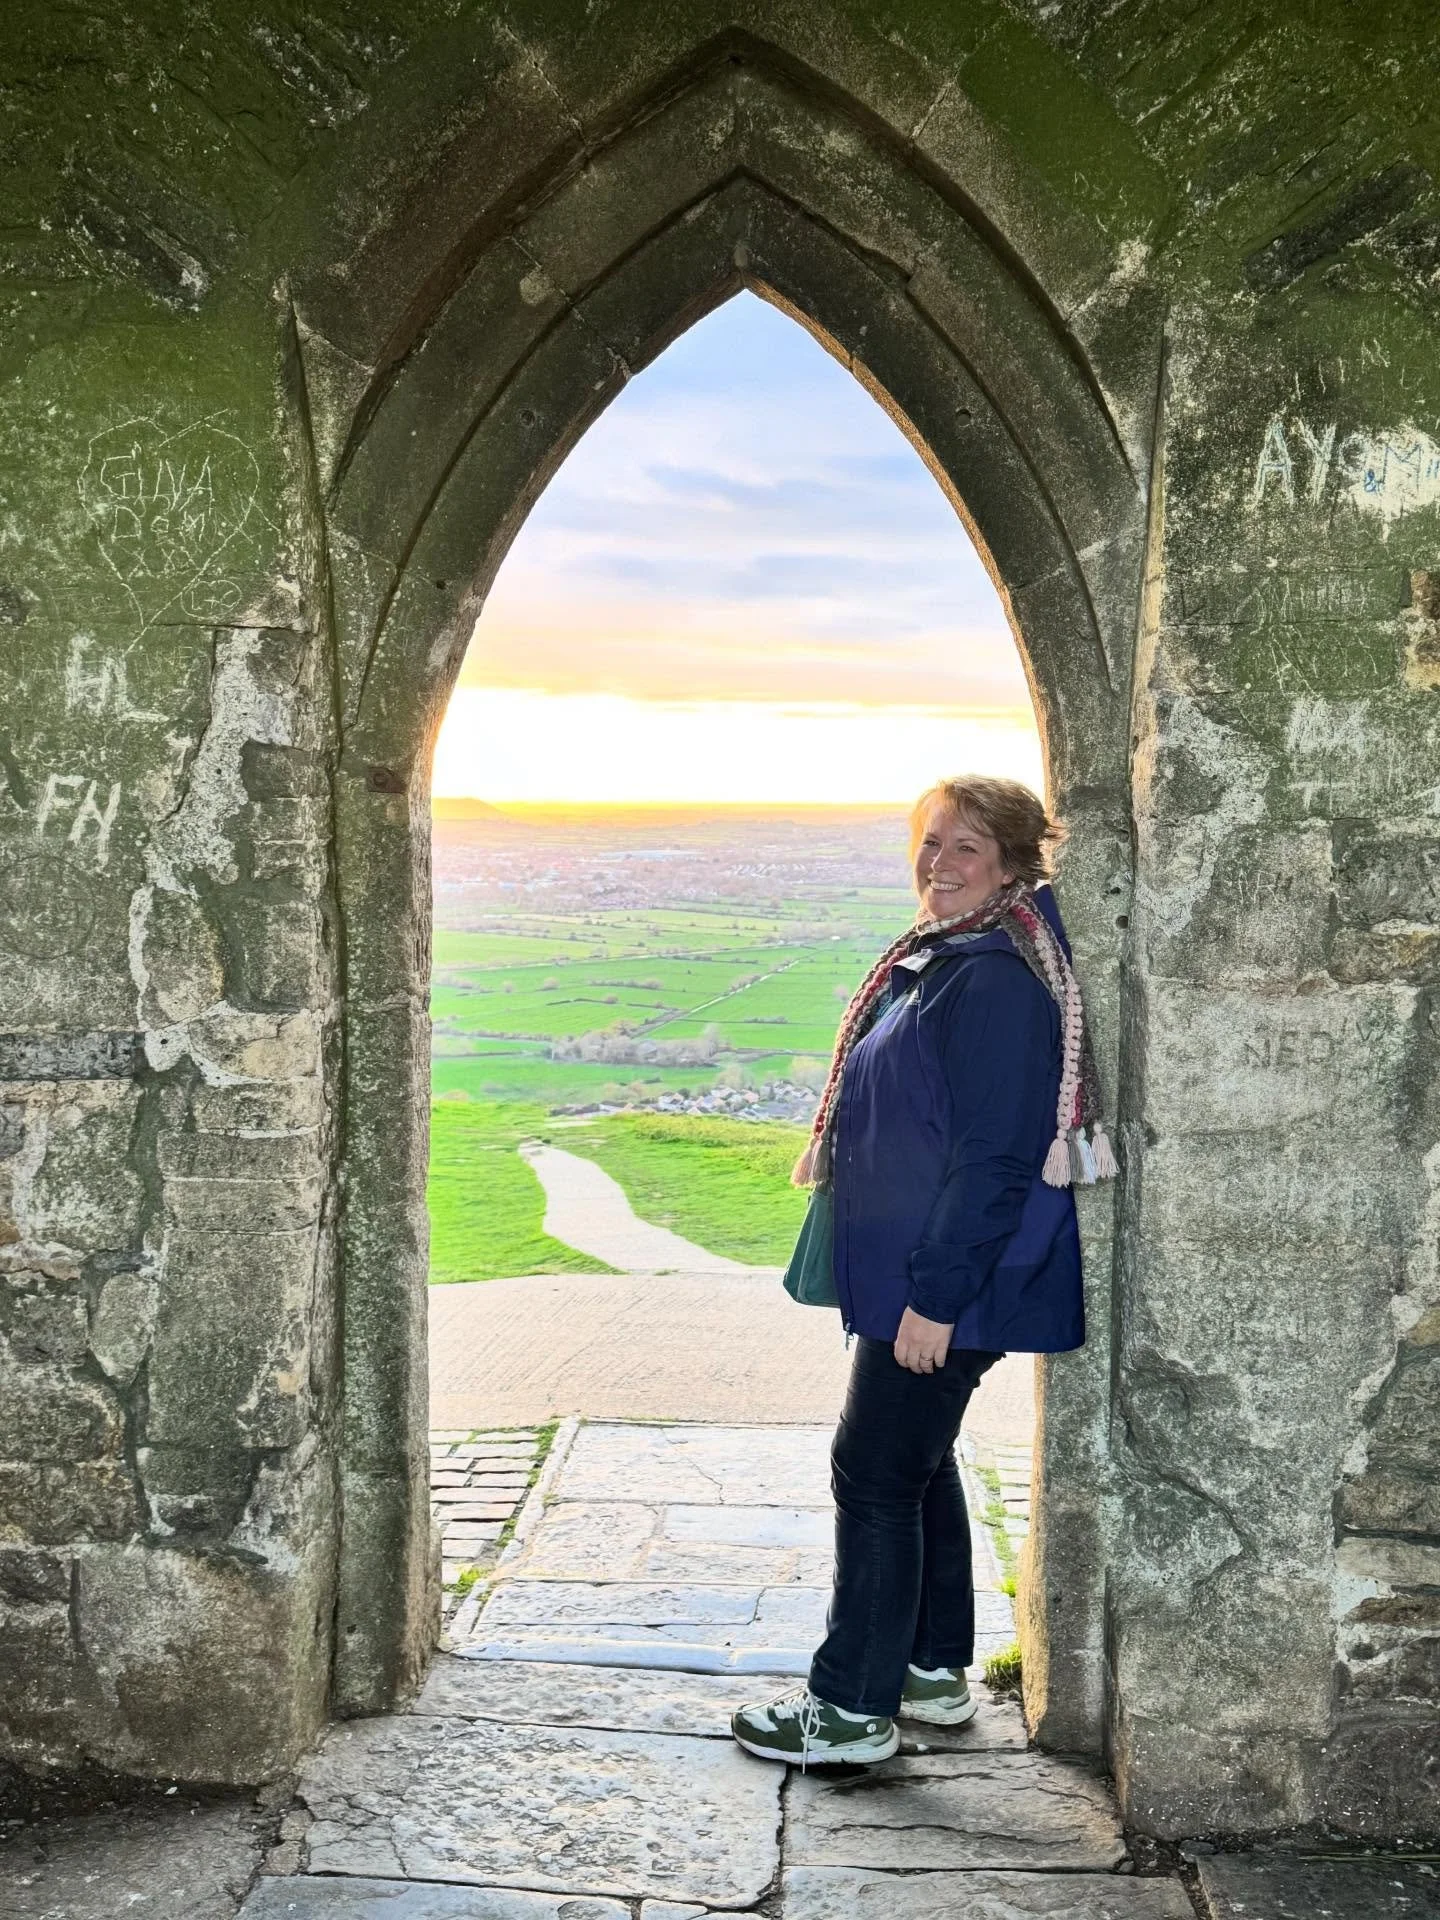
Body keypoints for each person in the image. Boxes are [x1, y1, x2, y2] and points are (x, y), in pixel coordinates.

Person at [731, 775, 1114, 1767]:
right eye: (933, 842)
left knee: (870, 1475)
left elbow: (992, 1158)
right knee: (916, 1461)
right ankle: (931, 1674)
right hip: (932, 1277)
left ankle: (848, 1712)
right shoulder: (951, 960)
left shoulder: (989, 981)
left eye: (968, 851)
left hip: (952, 1286)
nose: (940, 864)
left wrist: (934, 1301)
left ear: (1014, 867)